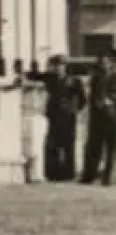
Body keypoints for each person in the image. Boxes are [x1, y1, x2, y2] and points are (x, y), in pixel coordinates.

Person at [38, 55, 86, 183]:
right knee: (51, 145)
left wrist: (73, 109)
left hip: (68, 117)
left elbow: (82, 99)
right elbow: (36, 76)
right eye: (57, 65)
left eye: (61, 65)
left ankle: (68, 173)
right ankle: (52, 173)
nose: (59, 68)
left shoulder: (74, 81)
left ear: (65, 66)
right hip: (54, 116)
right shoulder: (50, 79)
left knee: (68, 145)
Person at [78, 53, 116, 187]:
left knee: (111, 148)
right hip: (97, 116)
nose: (103, 65)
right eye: (101, 63)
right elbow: (91, 96)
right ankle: (89, 175)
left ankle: (108, 177)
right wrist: (96, 103)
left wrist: (109, 100)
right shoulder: (96, 78)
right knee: (93, 146)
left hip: (112, 116)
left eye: (106, 62)